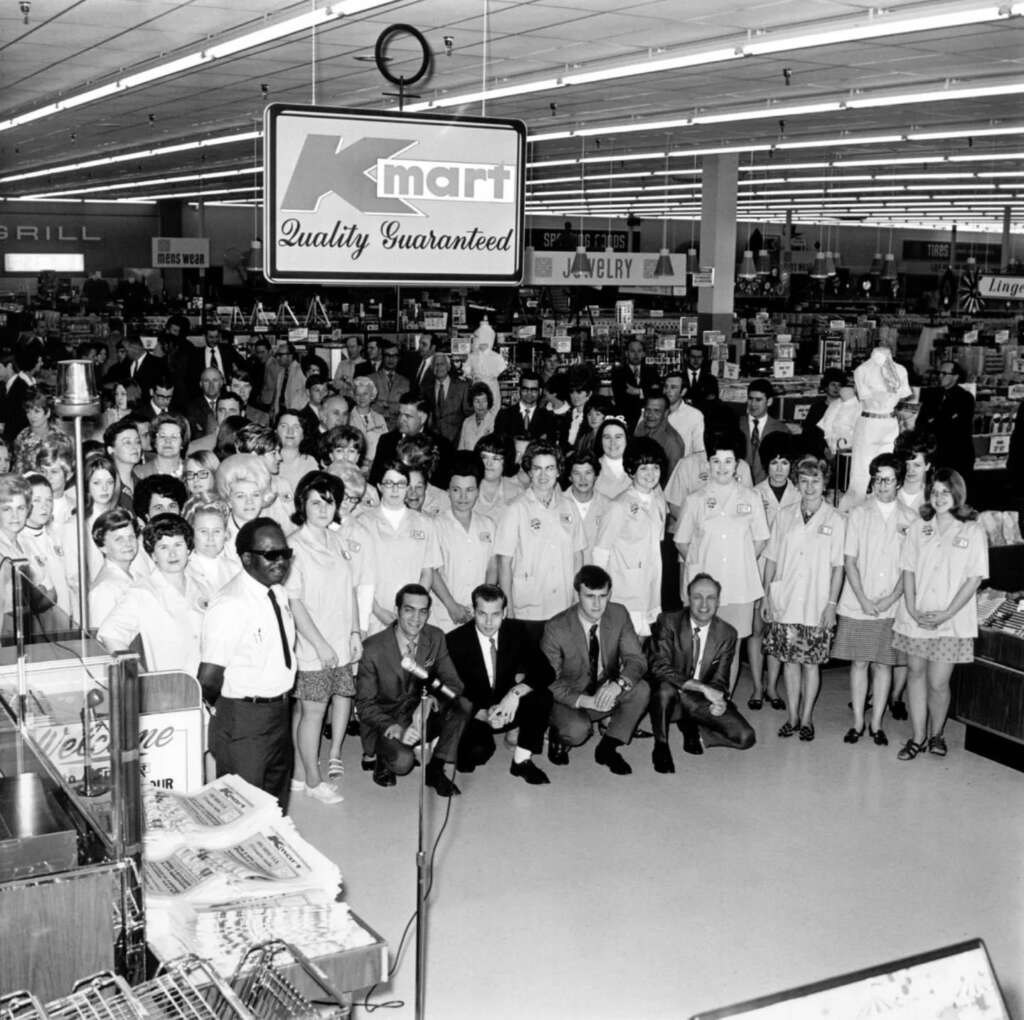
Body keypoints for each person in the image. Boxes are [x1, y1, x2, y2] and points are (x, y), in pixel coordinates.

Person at [199, 518, 298, 810]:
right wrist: (234, 716)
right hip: (244, 719)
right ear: (246, 558)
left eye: (285, 553)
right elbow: (207, 679)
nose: (281, 561)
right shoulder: (230, 604)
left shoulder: (277, 592)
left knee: (275, 803)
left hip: (279, 714)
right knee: (242, 809)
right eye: (271, 555)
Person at [891, 469, 987, 761]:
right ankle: (918, 736)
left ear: (957, 494)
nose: (939, 497)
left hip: (951, 621)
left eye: (946, 492)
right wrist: (911, 607)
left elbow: (974, 579)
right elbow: (907, 569)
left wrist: (946, 613)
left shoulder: (972, 530)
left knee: (938, 682)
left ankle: (937, 734)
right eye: (934, 492)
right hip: (916, 617)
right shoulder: (920, 526)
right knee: (916, 674)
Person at [286, 471, 366, 805]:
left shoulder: (336, 539)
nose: (323, 508)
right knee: (313, 713)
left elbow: (350, 591)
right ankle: (313, 780)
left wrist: (354, 631)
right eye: (315, 502)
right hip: (313, 645)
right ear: (302, 505)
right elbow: (294, 602)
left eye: (329, 501)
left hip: (340, 639)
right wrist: (320, 645)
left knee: (309, 712)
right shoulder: (293, 545)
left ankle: (299, 775)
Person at [832, 454, 917, 746]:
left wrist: (892, 596)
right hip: (859, 601)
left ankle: (877, 723)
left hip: (893, 604)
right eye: (878, 479)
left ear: (898, 481)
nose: (882, 485)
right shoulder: (858, 513)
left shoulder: (910, 518)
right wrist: (864, 599)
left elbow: (910, 567)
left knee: (883, 665)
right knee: (859, 663)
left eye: (888, 479)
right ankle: (857, 722)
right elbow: (849, 561)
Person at [675, 435, 769, 693]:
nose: (722, 467)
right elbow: (682, 542)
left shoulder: (751, 497)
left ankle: (723, 700)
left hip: (740, 587)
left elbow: (761, 538)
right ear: (708, 464)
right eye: (716, 461)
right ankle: (698, 701)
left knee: (733, 646)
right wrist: (700, 566)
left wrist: (741, 560)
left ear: (737, 464)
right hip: (705, 589)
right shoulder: (695, 499)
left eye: (728, 461)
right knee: (701, 647)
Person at [355, 584, 469, 796]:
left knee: (462, 705)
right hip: (389, 719)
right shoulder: (372, 648)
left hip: (421, 712)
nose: (416, 618)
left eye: (423, 611)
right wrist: (395, 728)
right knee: (402, 763)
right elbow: (364, 705)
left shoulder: (435, 637)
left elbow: (454, 685)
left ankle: (435, 770)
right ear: (397, 610)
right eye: (409, 610)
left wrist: (430, 701)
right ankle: (381, 756)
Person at [761, 456, 845, 742]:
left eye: (816, 481)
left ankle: (807, 717)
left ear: (825, 484)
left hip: (816, 602)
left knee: (811, 663)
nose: (810, 487)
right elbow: (771, 559)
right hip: (785, 599)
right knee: (789, 661)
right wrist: (767, 598)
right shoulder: (784, 516)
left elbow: (838, 568)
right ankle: (792, 716)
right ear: (797, 483)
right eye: (804, 481)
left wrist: (831, 606)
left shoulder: (836, 519)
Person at [541, 565, 649, 774]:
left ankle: (608, 748)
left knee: (641, 689)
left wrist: (619, 685)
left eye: (603, 596)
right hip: (568, 695)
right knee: (577, 731)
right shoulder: (557, 627)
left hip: (604, 686)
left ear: (609, 593)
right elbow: (548, 682)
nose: (597, 604)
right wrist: (584, 701)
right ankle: (557, 734)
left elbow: (637, 660)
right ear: (577, 594)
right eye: (590, 596)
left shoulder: (618, 613)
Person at [446, 583, 554, 784]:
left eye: (495, 614)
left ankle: (521, 761)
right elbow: (451, 690)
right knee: (473, 758)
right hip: (476, 710)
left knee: (542, 696)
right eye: (482, 614)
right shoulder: (455, 641)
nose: (488, 622)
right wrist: (482, 713)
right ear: (473, 611)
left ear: (504, 612)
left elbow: (545, 671)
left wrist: (515, 694)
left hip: (507, 705)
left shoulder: (517, 630)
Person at [648, 573, 756, 772]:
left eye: (711, 597)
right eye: (698, 597)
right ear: (688, 599)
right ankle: (661, 746)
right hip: (670, 692)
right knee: (664, 690)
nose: (704, 604)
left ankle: (695, 730)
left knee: (745, 737)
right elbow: (658, 667)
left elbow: (720, 680)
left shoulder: (727, 633)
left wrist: (720, 702)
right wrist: (699, 687)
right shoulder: (668, 621)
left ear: (718, 601)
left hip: (696, 699)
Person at [494, 440, 585, 640]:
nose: (543, 475)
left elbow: (578, 557)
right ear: (529, 471)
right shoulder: (515, 509)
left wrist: (577, 599)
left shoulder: (569, 507)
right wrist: (507, 607)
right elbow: (504, 563)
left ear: (559, 471)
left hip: (563, 605)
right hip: (529, 606)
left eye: (550, 468)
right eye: (537, 469)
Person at [97, 514, 206, 675]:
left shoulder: (202, 586)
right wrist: (142, 678)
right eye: (163, 547)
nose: (172, 554)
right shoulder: (143, 592)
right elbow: (109, 634)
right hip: (171, 689)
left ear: (188, 548)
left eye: (178, 545)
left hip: (208, 687)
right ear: (153, 555)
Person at [592, 438, 667, 639]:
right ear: (632, 471)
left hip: (649, 586)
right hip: (623, 587)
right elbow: (601, 551)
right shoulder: (619, 505)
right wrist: (599, 593)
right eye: (644, 468)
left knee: (640, 645)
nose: (651, 474)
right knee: (620, 645)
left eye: (655, 467)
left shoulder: (659, 502)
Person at [748, 431, 799, 711]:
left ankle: (771, 686)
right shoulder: (755, 494)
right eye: (774, 463)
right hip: (757, 571)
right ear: (766, 465)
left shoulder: (800, 494)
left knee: (778, 632)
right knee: (757, 630)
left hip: (787, 574)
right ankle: (757, 686)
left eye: (785, 463)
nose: (779, 469)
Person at [361, 460, 441, 635]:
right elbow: (358, 577)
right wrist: (378, 611)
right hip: (374, 616)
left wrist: (413, 610)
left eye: (401, 484)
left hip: (412, 619)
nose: (395, 490)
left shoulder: (425, 523)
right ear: (379, 486)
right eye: (389, 483)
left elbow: (427, 572)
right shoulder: (363, 523)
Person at [428, 453, 497, 632]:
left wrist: (483, 605)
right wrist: (451, 606)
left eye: (470, 490)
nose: (463, 497)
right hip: (445, 613)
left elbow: (492, 567)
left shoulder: (487, 524)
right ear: (448, 491)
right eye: (456, 489)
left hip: (479, 614)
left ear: (477, 490)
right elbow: (431, 570)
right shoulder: (435, 525)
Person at [839, 345, 911, 511]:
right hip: (869, 423)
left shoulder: (900, 370)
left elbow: (902, 393)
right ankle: (852, 515)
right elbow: (866, 396)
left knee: (887, 472)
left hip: (890, 423)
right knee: (861, 476)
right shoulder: (862, 370)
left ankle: (883, 511)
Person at [916, 361, 976, 488]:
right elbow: (922, 423)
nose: (940, 376)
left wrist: (934, 421)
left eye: (945, 373)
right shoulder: (931, 395)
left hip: (957, 456)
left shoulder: (965, 398)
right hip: (935, 455)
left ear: (956, 376)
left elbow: (954, 427)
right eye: (939, 373)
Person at [88, 508, 142, 626]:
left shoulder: (136, 576)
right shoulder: (104, 589)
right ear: (103, 547)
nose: (128, 543)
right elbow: (101, 639)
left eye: (131, 537)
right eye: (119, 539)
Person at [183, 496, 238, 596]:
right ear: (191, 533)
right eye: (203, 531)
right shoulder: (183, 570)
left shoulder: (235, 569)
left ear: (225, 533)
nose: (210, 538)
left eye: (217, 531)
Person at [739, 379, 788, 486]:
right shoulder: (737, 425)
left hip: (767, 490)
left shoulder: (781, 430)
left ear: (769, 401)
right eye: (750, 399)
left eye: (758, 400)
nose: (753, 404)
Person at [563, 451, 610, 562]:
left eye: (588, 473)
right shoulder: (556, 504)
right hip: (565, 574)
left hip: (597, 574)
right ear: (570, 477)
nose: (583, 479)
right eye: (577, 473)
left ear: (596, 475)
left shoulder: (609, 506)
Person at [492, 371, 558, 443]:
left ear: (540, 391)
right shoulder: (505, 415)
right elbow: (498, 443)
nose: (529, 393)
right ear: (519, 390)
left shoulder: (548, 417)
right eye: (525, 389)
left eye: (533, 390)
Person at [610, 339, 660, 430]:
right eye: (632, 351)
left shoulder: (652, 372)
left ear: (644, 353)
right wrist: (646, 392)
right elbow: (620, 398)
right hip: (627, 420)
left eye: (639, 351)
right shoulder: (618, 373)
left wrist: (638, 391)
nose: (636, 355)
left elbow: (656, 394)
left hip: (649, 420)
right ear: (626, 353)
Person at [634, 393, 685, 480]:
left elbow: (671, 482)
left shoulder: (672, 442)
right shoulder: (642, 426)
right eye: (648, 410)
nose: (650, 415)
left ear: (666, 413)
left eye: (656, 411)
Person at [423, 353, 470, 446]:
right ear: (432, 368)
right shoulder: (426, 389)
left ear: (448, 367)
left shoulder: (462, 386)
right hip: (433, 441)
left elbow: (468, 414)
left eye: (442, 364)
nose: (439, 367)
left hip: (457, 440)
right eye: (436, 364)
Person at [473, 435, 521, 521]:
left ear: (506, 461)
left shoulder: (517, 492)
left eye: (496, 458)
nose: (488, 464)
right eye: (484, 457)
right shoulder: (465, 488)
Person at [13, 390, 63, 473]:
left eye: (37, 411)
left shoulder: (60, 439)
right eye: (28, 411)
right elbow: (17, 466)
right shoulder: (22, 436)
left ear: (48, 413)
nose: (31, 416)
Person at [134, 412, 188, 481]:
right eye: (162, 436)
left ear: (182, 442)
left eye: (174, 437)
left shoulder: (193, 470)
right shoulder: (139, 473)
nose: (168, 441)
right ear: (155, 441)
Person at [663, 371, 705, 459]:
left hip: (682, 468)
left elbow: (699, 451)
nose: (667, 391)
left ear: (683, 392)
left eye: (673, 387)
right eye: (665, 386)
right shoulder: (650, 411)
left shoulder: (694, 415)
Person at [368, 343, 410, 428]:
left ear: (398, 358)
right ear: (382, 357)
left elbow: (405, 407)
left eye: (394, 356)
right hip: (375, 426)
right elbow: (367, 405)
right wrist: (394, 406)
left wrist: (380, 404)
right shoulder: (370, 379)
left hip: (397, 427)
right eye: (388, 355)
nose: (391, 359)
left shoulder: (405, 381)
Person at [350, 376, 389, 468]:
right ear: (353, 396)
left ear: (372, 395)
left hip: (377, 465)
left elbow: (386, 445)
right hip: (355, 466)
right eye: (358, 394)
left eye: (365, 394)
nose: (361, 398)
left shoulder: (380, 418)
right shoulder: (347, 418)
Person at [275, 410, 319, 490]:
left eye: (296, 427)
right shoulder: (266, 460)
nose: (290, 431)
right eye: (284, 426)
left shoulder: (309, 463)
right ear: (276, 431)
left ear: (303, 434)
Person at [458, 381, 497, 452]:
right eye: (477, 401)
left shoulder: (495, 421)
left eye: (484, 401)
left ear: (489, 402)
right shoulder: (467, 422)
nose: (480, 405)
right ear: (472, 403)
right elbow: (461, 449)